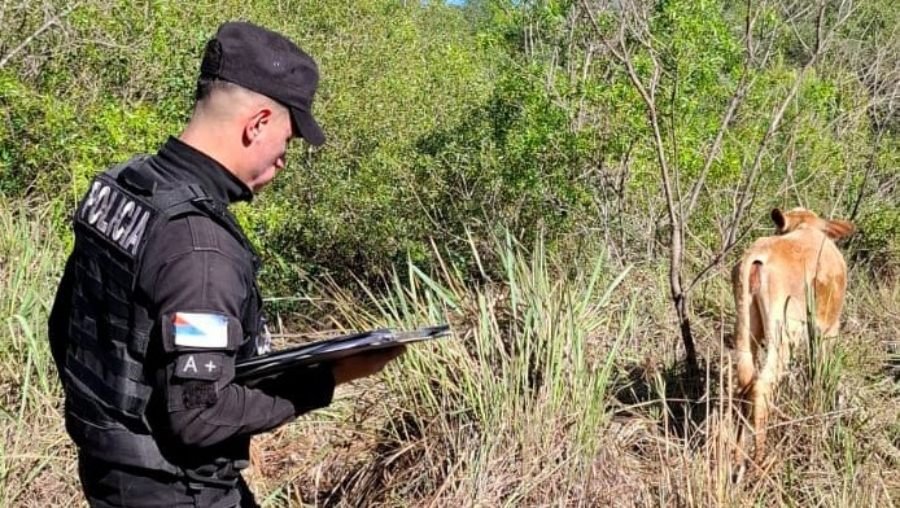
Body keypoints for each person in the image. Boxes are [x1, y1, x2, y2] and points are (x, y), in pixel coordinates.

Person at [47, 21, 404, 507]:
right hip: (176, 489)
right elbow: (199, 414)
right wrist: (330, 377)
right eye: (288, 139)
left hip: (109, 470)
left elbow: (64, 326)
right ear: (257, 123)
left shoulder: (123, 185)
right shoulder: (201, 247)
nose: (282, 160)